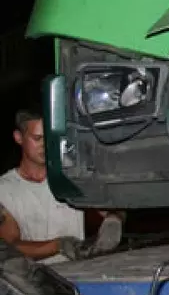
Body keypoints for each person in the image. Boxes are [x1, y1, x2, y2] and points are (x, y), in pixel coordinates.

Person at [0, 109, 118, 263]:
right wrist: (59, 245)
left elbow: (115, 205)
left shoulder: (73, 177)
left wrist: (114, 220)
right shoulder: (4, 190)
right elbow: (11, 246)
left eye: (50, 137)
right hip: (34, 275)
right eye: (38, 138)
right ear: (18, 137)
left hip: (80, 271)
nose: (46, 144)